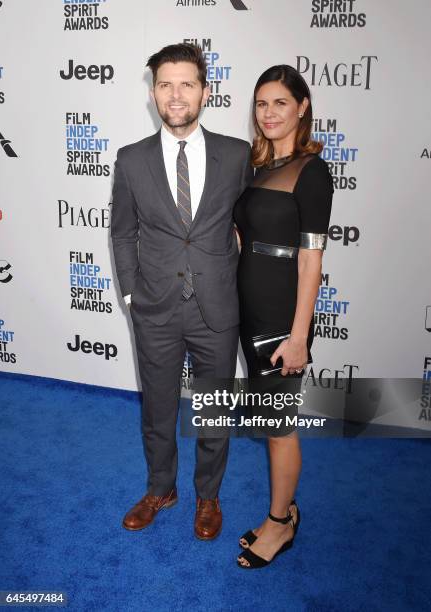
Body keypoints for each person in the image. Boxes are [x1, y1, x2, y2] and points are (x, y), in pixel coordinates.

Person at [111, 43, 253, 540]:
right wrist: (131, 294)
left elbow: (252, 228)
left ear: (205, 91)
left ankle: (208, 497)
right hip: (155, 308)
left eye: (186, 83)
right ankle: (161, 488)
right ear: (153, 94)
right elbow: (122, 232)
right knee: (158, 409)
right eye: (166, 84)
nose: (176, 94)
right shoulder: (130, 160)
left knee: (214, 407)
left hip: (217, 305)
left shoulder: (238, 154)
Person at [233, 65, 333, 568]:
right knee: (269, 419)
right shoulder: (260, 167)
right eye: (261, 104)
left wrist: (299, 337)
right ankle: (284, 509)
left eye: (279, 103)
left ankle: (279, 524)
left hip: (281, 319)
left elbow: (311, 259)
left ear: (302, 107)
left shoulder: (312, 171)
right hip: (249, 312)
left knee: (279, 424)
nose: (269, 113)